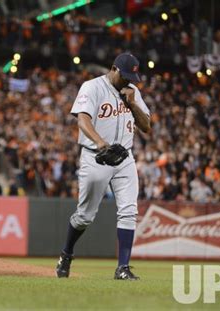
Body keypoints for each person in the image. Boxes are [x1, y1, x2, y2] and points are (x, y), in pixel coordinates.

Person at [56, 53, 151, 280]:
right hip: (95, 156)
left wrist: (133, 104)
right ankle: (67, 253)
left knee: (129, 211)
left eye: (132, 77)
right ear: (114, 69)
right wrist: (100, 143)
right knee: (85, 216)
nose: (129, 81)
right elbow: (82, 119)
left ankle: (123, 268)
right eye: (125, 76)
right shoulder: (92, 87)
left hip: (124, 157)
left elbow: (146, 126)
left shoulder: (133, 92)